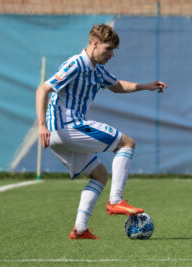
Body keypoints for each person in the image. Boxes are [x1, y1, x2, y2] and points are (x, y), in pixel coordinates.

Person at [36, 24, 168, 240]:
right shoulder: (76, 64)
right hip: (65, 126)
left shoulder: (97, 70)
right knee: (127, 143)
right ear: (95, 44)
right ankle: (116, 201)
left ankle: (80, 229)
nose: (111, 54)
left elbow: (117, 86)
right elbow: (43, 89)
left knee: (99, 175)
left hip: (60, 135)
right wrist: (42, 125)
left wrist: (147, 85)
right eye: (108, 49)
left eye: (113, 50)